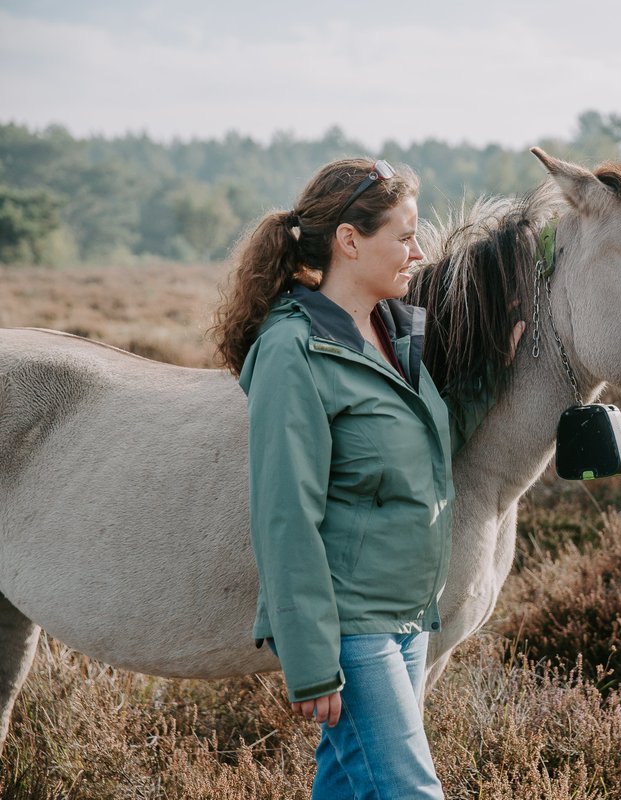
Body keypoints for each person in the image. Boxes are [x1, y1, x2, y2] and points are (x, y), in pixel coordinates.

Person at [212, 158, 489, 799]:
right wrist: (311, 662)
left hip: (408, 617)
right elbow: (285, 516)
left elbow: (419, 440)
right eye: (405, 235)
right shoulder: (293, 351)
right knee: (411, 792)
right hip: (352, 627)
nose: (418, 253)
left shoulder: (392, 333)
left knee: (345, 789)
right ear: (349, 240)